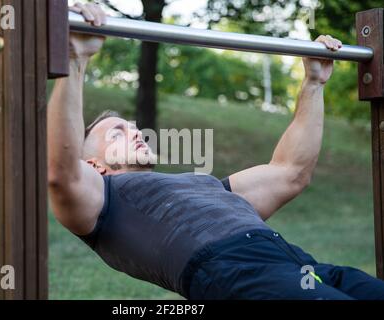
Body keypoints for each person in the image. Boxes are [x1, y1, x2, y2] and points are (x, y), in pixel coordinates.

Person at [47, 2, 384, 299]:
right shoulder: (102, 202)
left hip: (298, 265)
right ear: (94, 165)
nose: (136, 132)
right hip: (237, 275)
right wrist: (76, 58)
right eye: (118, 133)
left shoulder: (211, 189)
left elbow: (291, 171)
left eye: (134, 127)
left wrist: (313, 84)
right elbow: (62, 173)